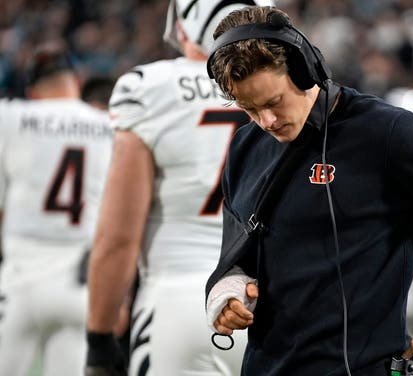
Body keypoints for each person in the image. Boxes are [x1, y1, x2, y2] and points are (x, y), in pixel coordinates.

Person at [204, 6, 413, 376]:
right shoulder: (245, 146)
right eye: (250, 109)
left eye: (273, 102)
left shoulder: (387, 133)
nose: (267, 121)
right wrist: (227, 291)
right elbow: (236, 252)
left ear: (304, 69)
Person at [84, 1, 272, 375]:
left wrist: (98, 340)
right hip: (276, 308)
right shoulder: (293, 90)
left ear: (186, 24)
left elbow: (118, 237)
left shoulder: (151, 88)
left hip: (180, 303)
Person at [0, 44, 113, 376]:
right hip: (79, 283)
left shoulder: (12, 117)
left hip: (20, 279)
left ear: (33, 92)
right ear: (75, 81)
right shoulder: (107, 125)